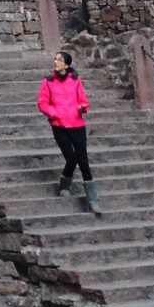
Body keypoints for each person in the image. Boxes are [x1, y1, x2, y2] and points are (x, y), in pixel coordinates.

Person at [38, 49, 102, 215]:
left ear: (66, 64)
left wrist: (82, 107)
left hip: (77, 124)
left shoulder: (75, 80)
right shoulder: (48, 81)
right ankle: (65, 184)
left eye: (59, 60)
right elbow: (42, 102)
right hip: (59, 126)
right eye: (55, 59)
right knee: (71, 159)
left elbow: (83, 100)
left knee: (83, 162)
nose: (55, 62)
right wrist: (54, 113)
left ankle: (93, 199)